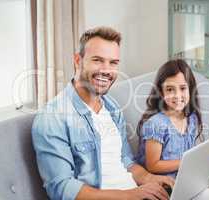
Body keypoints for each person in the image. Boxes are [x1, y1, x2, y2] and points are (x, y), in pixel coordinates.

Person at [32, 26, 174, 200]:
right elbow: (62, 188)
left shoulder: (112, 108)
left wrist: (149, 179)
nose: (106, 70)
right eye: (98, 60)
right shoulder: (52, 117)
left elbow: (126, 160)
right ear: (78, 60)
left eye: (113, 62)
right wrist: (130, 195)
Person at [136, 59, 209, 178]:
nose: (177, 95)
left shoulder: (191, 119)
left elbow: (189, 153)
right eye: (170, 89)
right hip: (165, 185)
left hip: (185, 178)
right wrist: (189, 163)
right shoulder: (156, 124)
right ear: (161, 92)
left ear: (190, 89)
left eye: (183, 88)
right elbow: (152, 165)